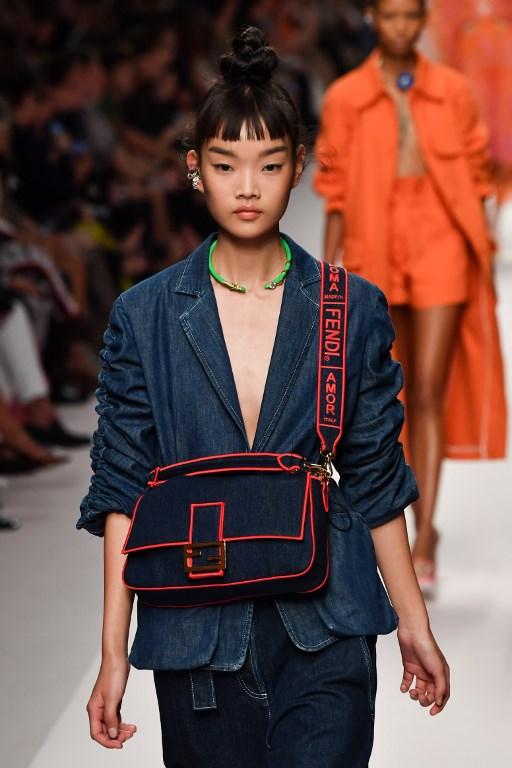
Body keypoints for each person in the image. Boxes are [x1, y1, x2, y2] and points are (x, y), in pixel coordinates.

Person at [78, 27, 450, 767]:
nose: (247, 187)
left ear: (298, 167)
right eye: (226, 165)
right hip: (197, 636)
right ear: (195, 169)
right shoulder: (145, 315)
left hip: (326, 624)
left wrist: (413, 622)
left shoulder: (349, 307)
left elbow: (375, 476)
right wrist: (113, 655)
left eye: (269, 164)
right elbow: (123, 490)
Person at [314, 0, 507, 596]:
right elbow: (335, 188)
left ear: (422, 21)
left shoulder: (452, 90)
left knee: (428, 390)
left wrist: (482, 239)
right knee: (389, 395)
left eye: (409, 16)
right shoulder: (345, 96)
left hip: (441, 236)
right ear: (373, 18)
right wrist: (327, 274)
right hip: (376, 237)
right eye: (390, 15)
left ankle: (425, 537)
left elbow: (477, 170)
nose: (400, 26)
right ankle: (402, 526)